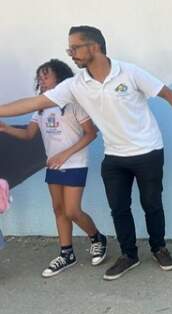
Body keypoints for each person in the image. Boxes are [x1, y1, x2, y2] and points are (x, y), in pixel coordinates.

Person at [0, 26, 172, 280]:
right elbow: (34, 103)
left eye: (75, 48)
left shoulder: (129, 72)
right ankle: (128, 255)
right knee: (119, 208)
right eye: (69, 49)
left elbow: (166, 93)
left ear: (94, 46)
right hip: (114, 156)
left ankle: (159, 248)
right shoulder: (75, 85)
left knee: (151, 203)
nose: (71, 54)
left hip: (148, 151)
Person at [0, 59, 108, 277]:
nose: (41, 80)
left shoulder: (74, 103)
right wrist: (6, 128)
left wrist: (65, 154)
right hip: (54, 165)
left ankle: (97, 238)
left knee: (72, 210)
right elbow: (28, 134)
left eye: (46, 76)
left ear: (60, 77)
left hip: (74, 163)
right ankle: (66, 253)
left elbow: (91, 133)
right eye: (39, 77)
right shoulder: (40, 109)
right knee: (58, 209)